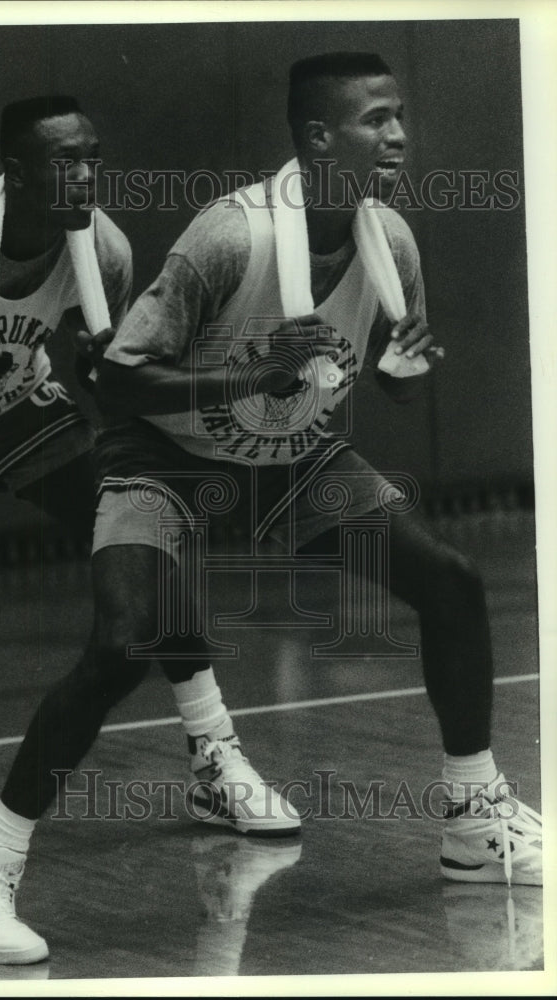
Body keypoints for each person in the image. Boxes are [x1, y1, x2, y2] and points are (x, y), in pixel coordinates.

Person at [0, 96, 300, 968]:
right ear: (16, 169)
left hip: (18, 410)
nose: (85, 176)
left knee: (154, 532)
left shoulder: (103, 247)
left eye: (94, 158)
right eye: (64, 162)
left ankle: (215, 755)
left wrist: (99, 375)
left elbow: (97, 357)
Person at [89, 50, 542, 894]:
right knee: (122, 642)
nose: (400, 135)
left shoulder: (389, 240)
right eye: (377, 120)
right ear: (319, 136)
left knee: (452, 582)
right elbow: (118, 379)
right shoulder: (230, 235)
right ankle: (184, 768)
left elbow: (397, 386)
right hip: (175, 457)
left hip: (289, 457)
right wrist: (243, 381)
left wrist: (408, 372)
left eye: (401, 115)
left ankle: (475, 822)